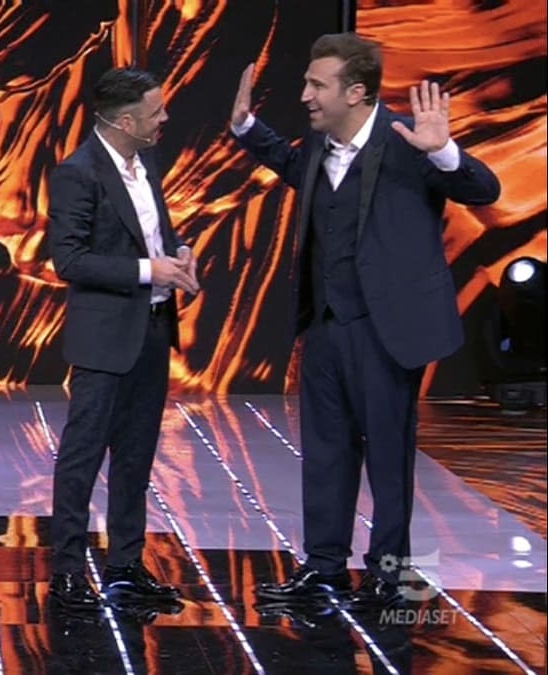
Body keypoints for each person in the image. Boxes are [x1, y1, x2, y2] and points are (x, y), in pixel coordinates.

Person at [230, 33, 500, 608]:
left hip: (388, 328)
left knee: (387, 457)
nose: (305, 95)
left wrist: (443, 152)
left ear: (355, 92)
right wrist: (247, 129)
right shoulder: (318, 146)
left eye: (316, 85)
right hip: (326, 325)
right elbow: (292, 166)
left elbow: (484, 189)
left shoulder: (408, 140)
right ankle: (324, 567)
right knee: (325, 451)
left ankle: (390, 576)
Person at [47, 67, 200, 609]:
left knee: (136, 455)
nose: (165, 118)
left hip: (153, 330)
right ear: (127, 121)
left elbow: (154, 233)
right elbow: (69, 260)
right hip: (104, 337)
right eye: (157, 111)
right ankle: (68, 572)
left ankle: (125, 566)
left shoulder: (146, 163)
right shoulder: (78, 173)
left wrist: (178, 260)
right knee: (83, 455)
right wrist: (147, 271)